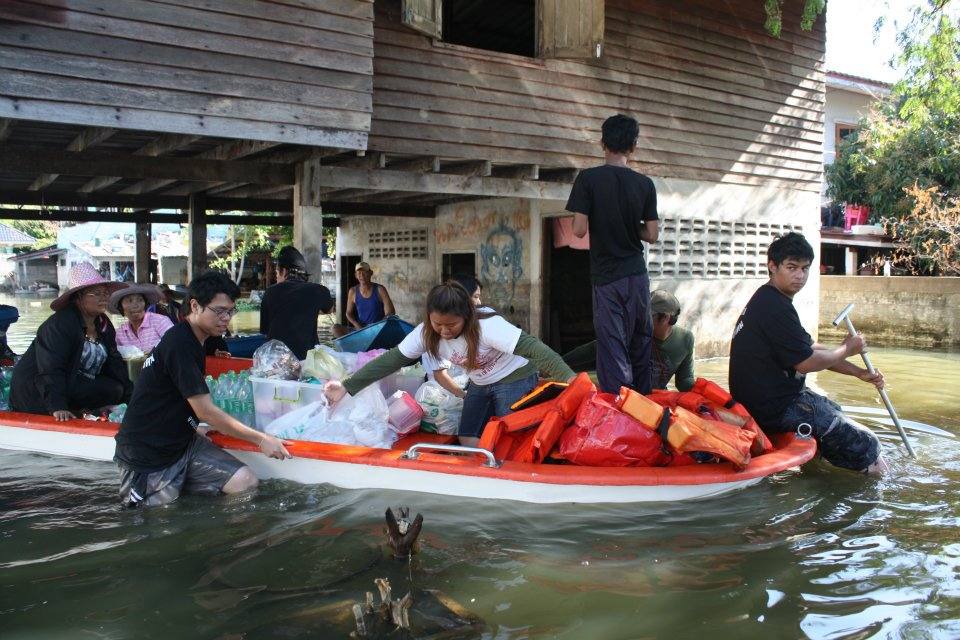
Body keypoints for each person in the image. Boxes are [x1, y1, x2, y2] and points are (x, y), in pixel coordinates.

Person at [113, 271, 291, 508]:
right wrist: (261, 439)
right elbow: (205, 411)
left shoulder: (199, 340)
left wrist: (193, 426)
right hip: (147, 454)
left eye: (230, 311)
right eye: (219, 311)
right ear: (195, 306)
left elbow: (180, 399)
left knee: (244, 481)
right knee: (149, 519)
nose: (226, 318)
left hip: (183, 440)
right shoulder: (180, 343)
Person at [324, 282, 575, 447]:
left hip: (514, 375)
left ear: (466, 317)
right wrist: (346, 386)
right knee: (467, 435)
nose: (443, 331)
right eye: (437, 324)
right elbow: (391, 360)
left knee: (511, 434)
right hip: (480, 381)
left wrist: (571, 379)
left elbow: (535, 349)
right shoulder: (424, 333)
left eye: (451, 325)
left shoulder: (488, 326)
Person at [729, 232, 887, 475]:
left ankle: (817, 471)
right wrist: (847, 348)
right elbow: (806, 363)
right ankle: (879, 485)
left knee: (834, 409)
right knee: (868, 444)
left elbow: (810, 349)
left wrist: (858, 372)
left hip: (773, 401)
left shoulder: (771, 300)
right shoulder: (773, 307)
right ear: (772, 266)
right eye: (791, 267)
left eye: (805, 268)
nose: (799, 276)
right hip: (773, 408)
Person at [566, 113, 659, 395]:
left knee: (612, 343)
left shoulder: (588, 179)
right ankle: (644, 404)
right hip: (637, 276)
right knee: (641, 339)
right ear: (633, 146)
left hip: (607, 277)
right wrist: (631, 226)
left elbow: (579, 230)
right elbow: (652, 235)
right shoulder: (645, 185)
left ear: (602, 143)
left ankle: (620, 410)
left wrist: (595, 217)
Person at [10, 262, 132, 420]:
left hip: (72, 382)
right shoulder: (60, 325)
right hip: (36, 392)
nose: (104, 298)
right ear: (79, 297)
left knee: (115, 389)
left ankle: (86, 411)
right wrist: (57, 406)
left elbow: (114, 362)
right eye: (96, 293)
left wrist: (133, 397)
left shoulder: (103, 324)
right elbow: (51, 368)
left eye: (105, 293)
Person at [259, 246, 334, 360]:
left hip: (277, 360)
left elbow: (265, 330)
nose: (277, 277)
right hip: (307, 360)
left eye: (277, 273)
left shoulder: (270, 292)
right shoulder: (319, 290)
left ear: (283, 271)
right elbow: (329, 310)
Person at [423, 274, 484, 399]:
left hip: (463, 387)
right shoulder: (439, 334)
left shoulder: (470, 329)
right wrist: (464, 397)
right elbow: (440, 375)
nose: (479, 302)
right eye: (476, 297)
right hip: (443, 394)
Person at [649, 290, 695, 391]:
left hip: (659, 399)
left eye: (649, 316)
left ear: (666, 318)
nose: (642, 318)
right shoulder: (636, 335)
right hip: (631, 396)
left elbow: (684, 381)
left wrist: (702, 390)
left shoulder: (685, 339)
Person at [334, 261, 395, 337]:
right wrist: (357, 326)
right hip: (361, 329)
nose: (362, 275)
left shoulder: (380, 289)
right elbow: (348, 313)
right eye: (359, 273)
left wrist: (378, 326)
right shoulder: (353, 291)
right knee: (335, 328)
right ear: (356, 275)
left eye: (364, 272)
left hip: (377, 330)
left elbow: (390, 312)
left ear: (371, 273)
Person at [110, 283, 174, 354]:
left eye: (140, 300)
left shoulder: (161, 322)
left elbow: (174, 346)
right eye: (129, 301)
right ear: (121, 307)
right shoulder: (121, 333)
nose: (136, 305)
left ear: (145, 304)